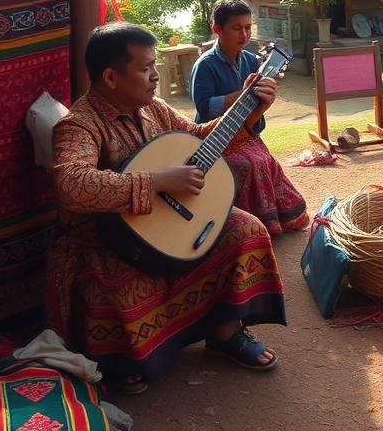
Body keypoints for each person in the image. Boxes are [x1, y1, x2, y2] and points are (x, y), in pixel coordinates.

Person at [46, 23, 287, 395]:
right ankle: (123, 357)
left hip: (167, 223)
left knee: (246, 228)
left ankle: (225, 333)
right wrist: (156, 182)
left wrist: (249, 111)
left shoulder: (153, 109)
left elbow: (201, 138)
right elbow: (72, 185)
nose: (156, 76)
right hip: (104, 239)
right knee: (119, 284)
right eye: (146, 68)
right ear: (111, 77)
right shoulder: (79, 125)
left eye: (155, 65)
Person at [190, 0, 308, 234]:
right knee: (250, 163)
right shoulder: (205, 65)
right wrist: (242, 94)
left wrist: (265, 97)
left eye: (248, 27)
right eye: (237, 28)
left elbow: (254, 111)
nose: (244, 34)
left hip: (247, 133)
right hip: (213, 140)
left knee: (266, 160)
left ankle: (275, 221)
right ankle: (246, 227)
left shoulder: (251, 60)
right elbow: (205, 108)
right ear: (217, 29)